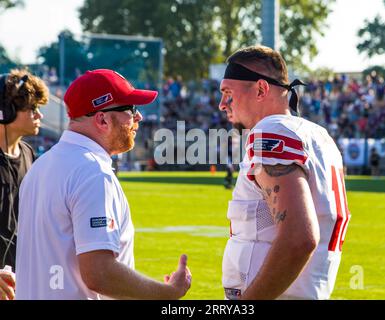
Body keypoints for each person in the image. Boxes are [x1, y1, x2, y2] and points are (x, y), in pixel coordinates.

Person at [15, 69, 191, 300]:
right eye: (131, 109)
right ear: (102, 119)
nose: (138, 118)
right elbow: (99, 273)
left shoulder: (41, 166)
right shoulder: (92, 172)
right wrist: (167, 293)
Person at [218, 46, 351, 300]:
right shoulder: (318, 136)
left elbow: (299, 238)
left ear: (260, 89)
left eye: (227, 93)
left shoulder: (271, 131)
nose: (222, 104)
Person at [0, 69, 49, 273]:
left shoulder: (28, 153)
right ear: (6, 111)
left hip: (21, 276)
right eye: (32, 108)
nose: (39, 115)